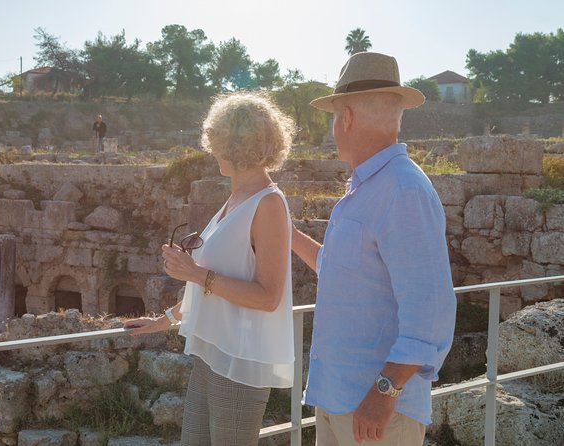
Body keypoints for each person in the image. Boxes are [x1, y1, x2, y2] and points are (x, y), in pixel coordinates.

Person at [292, 52, 457, 445]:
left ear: (346, 116)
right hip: (340, 403)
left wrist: (384, 392)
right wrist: (287, 235)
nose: (334, 128)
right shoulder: (371, 189)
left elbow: (430, 309)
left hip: (377, 414)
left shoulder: (403, 190)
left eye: (334, 117)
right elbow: (344, 275)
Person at [125, 92, 296, 446]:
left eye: (216, 141)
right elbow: (212, 287)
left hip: (239, 362)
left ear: (233, 144)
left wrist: (195, 273)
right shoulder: (237, 198)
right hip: (211, 354)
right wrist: (165, 320)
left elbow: (268, 296)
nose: (212, 150)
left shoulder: (268, 204)